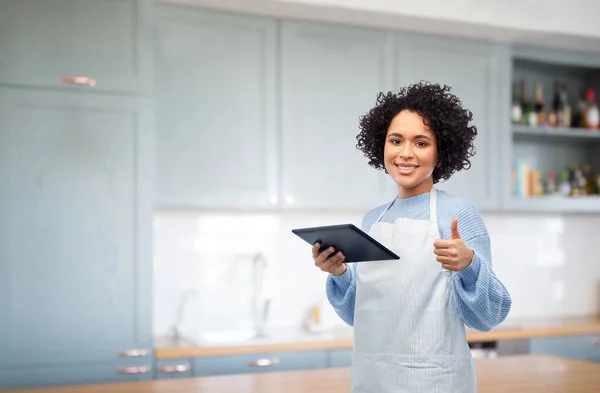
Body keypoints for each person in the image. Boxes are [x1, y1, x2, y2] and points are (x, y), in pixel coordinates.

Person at [312, 81, 512, 393]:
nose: (406, 153)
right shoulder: (373, 218)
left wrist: (468, 265)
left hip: (435, 381)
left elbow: (489, 316)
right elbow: (360, 315)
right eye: (396, 141)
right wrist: (339, 273)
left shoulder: (457, 214)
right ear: (382, 146)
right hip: (374, 380)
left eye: (421, 143)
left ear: (441, 152)